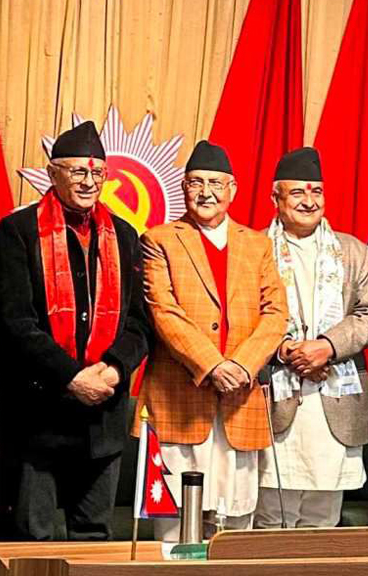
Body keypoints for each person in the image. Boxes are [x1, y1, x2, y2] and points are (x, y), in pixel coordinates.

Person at [0, 121, 150, 541]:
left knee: (95, 538)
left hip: (104, 413)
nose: (88, 181)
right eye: (78, 171)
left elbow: (139, 321)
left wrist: (113, 370)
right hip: (39, 413)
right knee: (32, 539)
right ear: (52, 173)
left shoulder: (124, 234)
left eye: (98, 172)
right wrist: (72, 377)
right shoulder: (19, 230)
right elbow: (15, 322)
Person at [137, 140, 289, 539]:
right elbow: (163, 312)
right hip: (180, 398)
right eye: (196, 183)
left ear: (232, 189)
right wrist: (213, 366)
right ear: (183, 188)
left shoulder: (258, 244)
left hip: (240, 398)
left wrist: (241, 366)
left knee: (234, 525)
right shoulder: (159, 240)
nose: (206, 192)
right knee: (174, 526)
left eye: (216, 183)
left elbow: (276, 313)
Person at [255, 147, 368, 529]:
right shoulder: (254, 248)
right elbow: (244, 316)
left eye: (316, 192)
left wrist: (326, 347)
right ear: (276, 198)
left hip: (336, 399)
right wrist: (286, 351)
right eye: (297, 192)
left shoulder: (352, 251)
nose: (309, 201)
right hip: (274, 398)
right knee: (270, 519)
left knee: (322, 522)